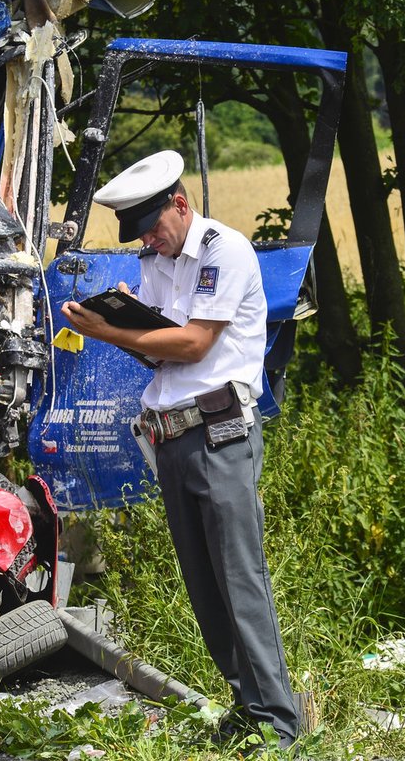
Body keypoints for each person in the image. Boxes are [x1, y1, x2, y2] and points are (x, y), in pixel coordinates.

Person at [61, 150, 299, 749]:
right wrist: (123, 317)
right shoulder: (158, 259)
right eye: (139, 234)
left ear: (181, 204)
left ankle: (279, 720)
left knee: (239, 579)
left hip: (220, 434)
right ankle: (246, 709)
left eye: (153, 228)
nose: (149, 241)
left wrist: (107, 330)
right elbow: (158, 349)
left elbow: (193, 343)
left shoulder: (224, 250)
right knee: (203, 583)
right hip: (171, 436)